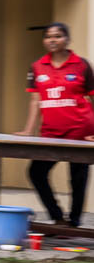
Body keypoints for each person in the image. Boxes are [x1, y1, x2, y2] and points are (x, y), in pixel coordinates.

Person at [16, 22, 94, 226]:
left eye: (58, 36)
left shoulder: (82, 65)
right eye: (48, 36)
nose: (52, 40)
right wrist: (28, 130)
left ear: (67, 39)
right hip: (50, 133)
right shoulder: (37, 66)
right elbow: (35, 100)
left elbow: (92, 96)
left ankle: (74, 222)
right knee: (36, 172)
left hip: (80, 130)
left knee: (78, 177)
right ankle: (57, 217)